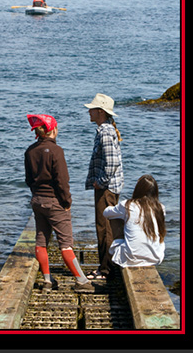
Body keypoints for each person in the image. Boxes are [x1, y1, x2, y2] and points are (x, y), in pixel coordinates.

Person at [25, 114, 94, 292]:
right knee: (66, 243)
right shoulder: (57, 151)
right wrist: (66, 201)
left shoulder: (30, 151)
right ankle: (81, 281)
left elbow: (28, 179)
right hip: (55, 202)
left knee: (41, 240)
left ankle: (47, 280)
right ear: (53, 130)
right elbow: (62, 180)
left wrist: (37, 195)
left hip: (37, 200)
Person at [84, 93, 124, 280]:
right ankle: (108, 266)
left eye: (92, 109)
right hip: (109, 186)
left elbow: (112, 163)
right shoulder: (106, 130)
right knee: (108, 226)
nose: (89, 112)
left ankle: (106, 269)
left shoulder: (105, 132)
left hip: (106, 188)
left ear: (100, 111)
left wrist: (100, 182)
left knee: (104, 227)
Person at [103, 175, 166, 267]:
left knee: (115, 217)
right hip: (155, 257)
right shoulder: (161, 208)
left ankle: (110, 258)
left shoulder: (128, 205)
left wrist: (121, 213)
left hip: (132, 258)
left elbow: (106, 213)